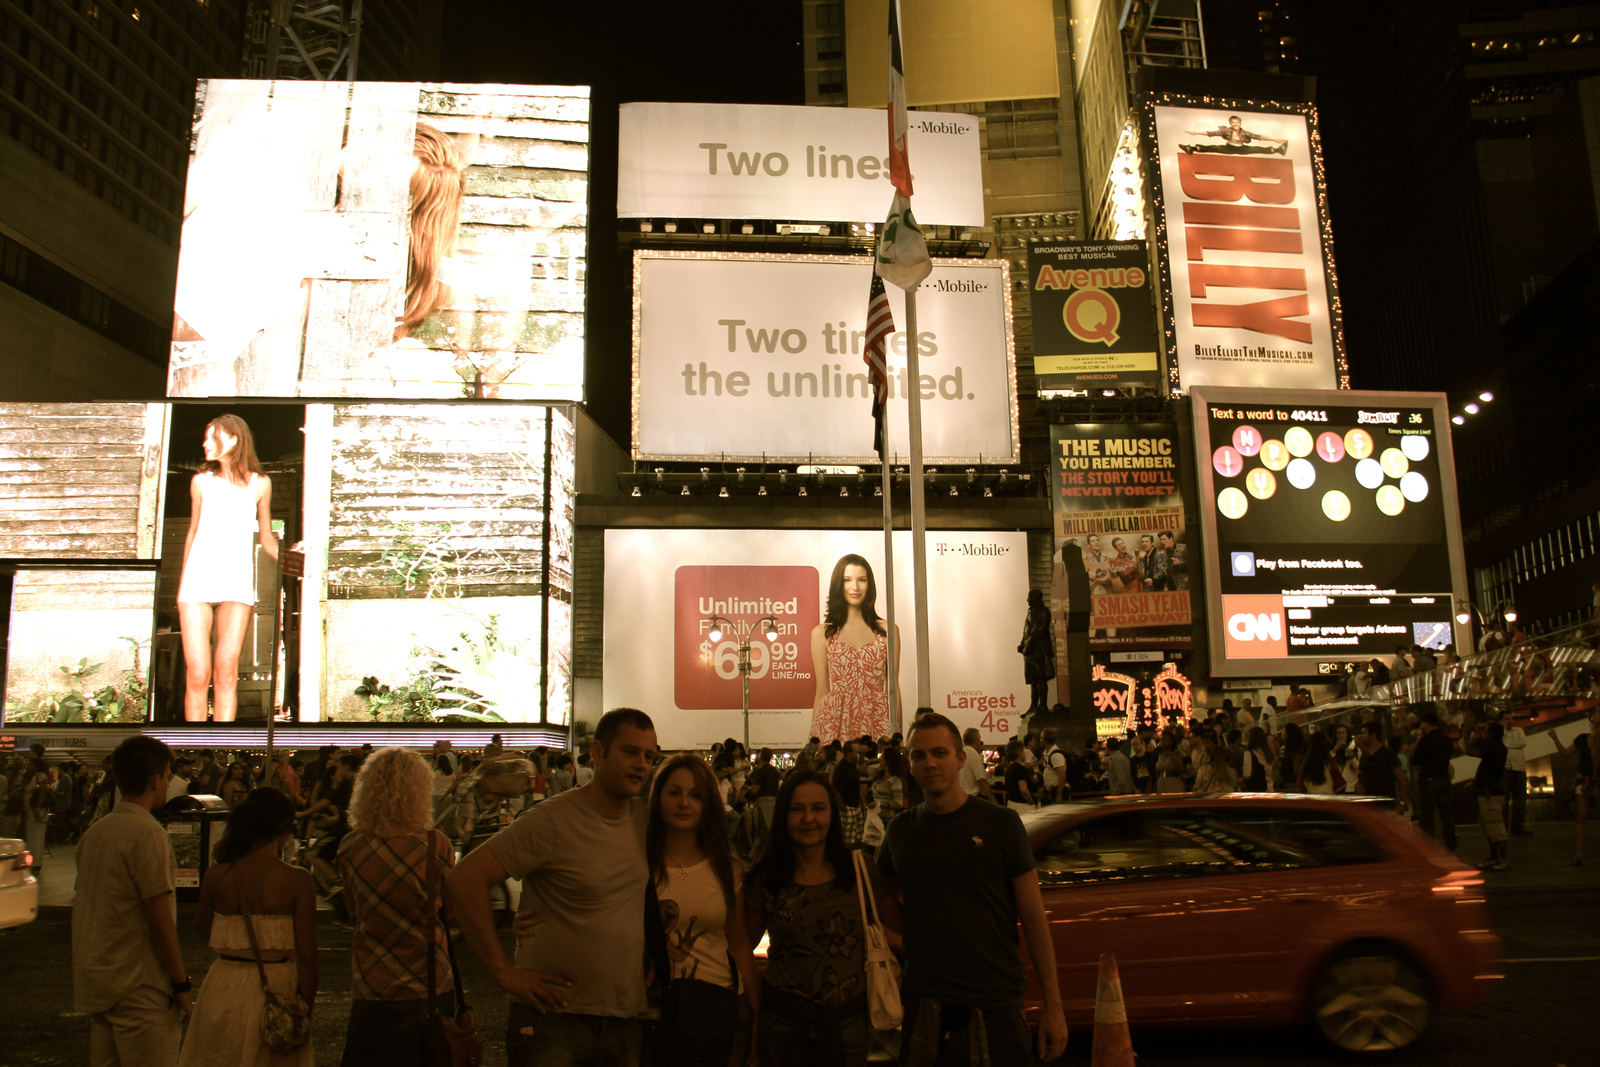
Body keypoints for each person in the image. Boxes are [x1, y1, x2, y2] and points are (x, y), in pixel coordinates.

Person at [447, 708, 659, 1067]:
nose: (641, 763)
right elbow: (465, 879)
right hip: (554, 1022)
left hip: (624, 1020)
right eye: (630, 751)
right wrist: (502, 972)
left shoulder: (645, 822)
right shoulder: (552, 819)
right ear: (597, 752)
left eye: (649, 756)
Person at [878, 713, 1068, 1063]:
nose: (930, 763)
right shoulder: (900, 831)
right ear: (909, 763)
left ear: (961, 758)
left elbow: (1033, 916)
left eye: (940, 753)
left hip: (995, 1002)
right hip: (924, 1002)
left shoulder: (1001, 825)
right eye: (919, 756)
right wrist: (907, 944)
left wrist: (1054, 1007)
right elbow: (884, 899)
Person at [744, 770, 897, 1067]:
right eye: (797, 809)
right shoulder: (767, 878)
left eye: (818, 808)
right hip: (782, 1029)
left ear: (832, 814)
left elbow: (897, 934)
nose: (808, 819)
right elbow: (743, 946)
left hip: (850, 1028)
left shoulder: (861, 871)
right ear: (782, 816)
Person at [333, 748, 461, 1066]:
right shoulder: (436, 845)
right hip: (429, 983)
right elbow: (453, 912)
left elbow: (354, 912)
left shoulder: (350, 847)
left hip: (371, 984)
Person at [72, 735, 192, 1066]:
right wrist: (181, 985)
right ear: (156, 779)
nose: (169, 783)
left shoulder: (95, 833)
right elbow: (159, 919)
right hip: (140, 986)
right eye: (168, 775)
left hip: (101, 982)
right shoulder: (149, 834)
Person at [635, 754, 760, 1066]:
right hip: (650, 1013)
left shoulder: (725, 864)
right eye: (674, 793)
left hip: (719, 1007)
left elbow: (739, 940)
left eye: (695, 795)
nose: (684, 803)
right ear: (658, 796)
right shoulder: (635, 862)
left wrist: (757, 1012)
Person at [180, 788, 317, 1066]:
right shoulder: (297, 880)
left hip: (223, 983)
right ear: (282, 828)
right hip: (278, 985)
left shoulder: (217, 875)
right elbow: (308, 956)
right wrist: (304, 1008)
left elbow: (202, 928)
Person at [176, 414, 277, 723]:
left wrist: (298, 561)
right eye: (205, 438)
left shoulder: (260, 484)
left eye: (212, 438)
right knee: (198, 673)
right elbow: (193, 531)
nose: (205, 444)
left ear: (233, 439)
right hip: (197, 582)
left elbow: (267, 537)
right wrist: (183, 583)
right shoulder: (201, 482)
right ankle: (191, 748)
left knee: (226, 672)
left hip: (236, 582)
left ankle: (221, 748)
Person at [809, 554, 901, 743]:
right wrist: (814, 741)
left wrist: (897, 734)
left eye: (862, 580)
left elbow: (893, 686)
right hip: (835, 721)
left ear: (870, 584)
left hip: (877, 718)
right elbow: (822, 691)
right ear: (838, 584)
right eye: (847, 580)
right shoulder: (822, 633)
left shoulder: (887, 630)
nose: (855, 587)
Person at [1551, 707, 1600, 865]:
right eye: (1597, 712)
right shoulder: (1583, 738)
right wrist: (1555, 738)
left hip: (1597, 779)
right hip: (1584, 779)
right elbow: (1566, 753)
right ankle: (1578, 853)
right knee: (1582, 817)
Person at [1412, 709, 1457, 849]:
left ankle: (1430, 846)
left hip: (1429, 781)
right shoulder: (1447, 740)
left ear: (1426, 724)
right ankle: (1451, 843)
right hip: (1444, 780)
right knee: (1446, 815)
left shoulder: (1425, 740)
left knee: (1428, 817)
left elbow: (1416, 760)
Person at [1470, 721, 1510, 871]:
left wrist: (1471, 731)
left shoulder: (1493, 748)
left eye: (1487, 732)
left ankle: (1502, 859)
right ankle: (1496, 858)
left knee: (1496, 828)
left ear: (1492, 734)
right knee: (1490, 827)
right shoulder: (1500, 748)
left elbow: (1471, 748)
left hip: (1489, 793)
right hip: (1490, 792)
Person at [1356, 723, 1408, 813]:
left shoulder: (1388, 755)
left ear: (1373, 735)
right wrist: (1358, 786)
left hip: (1387, 804)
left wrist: (1402, 802)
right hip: (1370, 804)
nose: (1361, 736)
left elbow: (1401, 779)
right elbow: (1362, 778)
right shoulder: (1364, 756)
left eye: (1364, 733)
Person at [1018, 589, 1055, 716]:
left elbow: (1038, 631)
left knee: (1040, 678)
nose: (1028, 600)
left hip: (1039, 649)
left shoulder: (1043, 612)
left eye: (1030, 598)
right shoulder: (1031, 612)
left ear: (1036, 598)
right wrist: (1022, 644)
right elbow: (1027, 630)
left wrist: (1027, 645)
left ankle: (1042, 706)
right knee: (1033, 679)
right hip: (1030, 650)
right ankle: (1034, 706)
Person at [1499, 710, 1531, 835]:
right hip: (1505, 768)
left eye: (1511, 718)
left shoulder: (1519, 730)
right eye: (1507, 718)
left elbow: (1523, 743)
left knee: (1520, 800)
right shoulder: (1500, 732)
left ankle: (1518, 827)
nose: (1510, 721)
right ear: (1501, 720)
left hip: (1519, 768)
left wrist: (1507, 745)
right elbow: (1501, 744)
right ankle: (1504, 827)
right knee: (1504, 801)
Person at [832, 741, 865, 845]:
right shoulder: (841, 768)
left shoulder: (852, 765)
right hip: (847, 805)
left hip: (855, 804)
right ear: (848, 753)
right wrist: (842, 807)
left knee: (858, 835)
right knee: (848, 838)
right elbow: (836, 789)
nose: (857, 753)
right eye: (856, 751)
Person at [957, 728, 995, 802]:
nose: (980, 741)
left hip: (960, 796)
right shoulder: (973, 754)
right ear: (975, 740)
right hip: (971, 798)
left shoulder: (960, 752)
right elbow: (981, 780)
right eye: (979, 738)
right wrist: (994, 801)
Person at [1039, 728, 1068, 804]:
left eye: (1041, 738)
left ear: (1045, 741)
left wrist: (1059, 795)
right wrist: (1044, 787)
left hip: (1058, 789)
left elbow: (1062, 775)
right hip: (1051, 790)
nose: (1040, 740)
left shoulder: (1056, 755)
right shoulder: (1046, 753)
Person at [1002, 740, 1035, 807]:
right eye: (1023, 751)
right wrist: (1031, 802)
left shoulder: (1009, 769)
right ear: (1020, 753)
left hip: (1011, 803)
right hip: (1022, 806)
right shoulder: (1020, 769)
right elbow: (1023, 790)